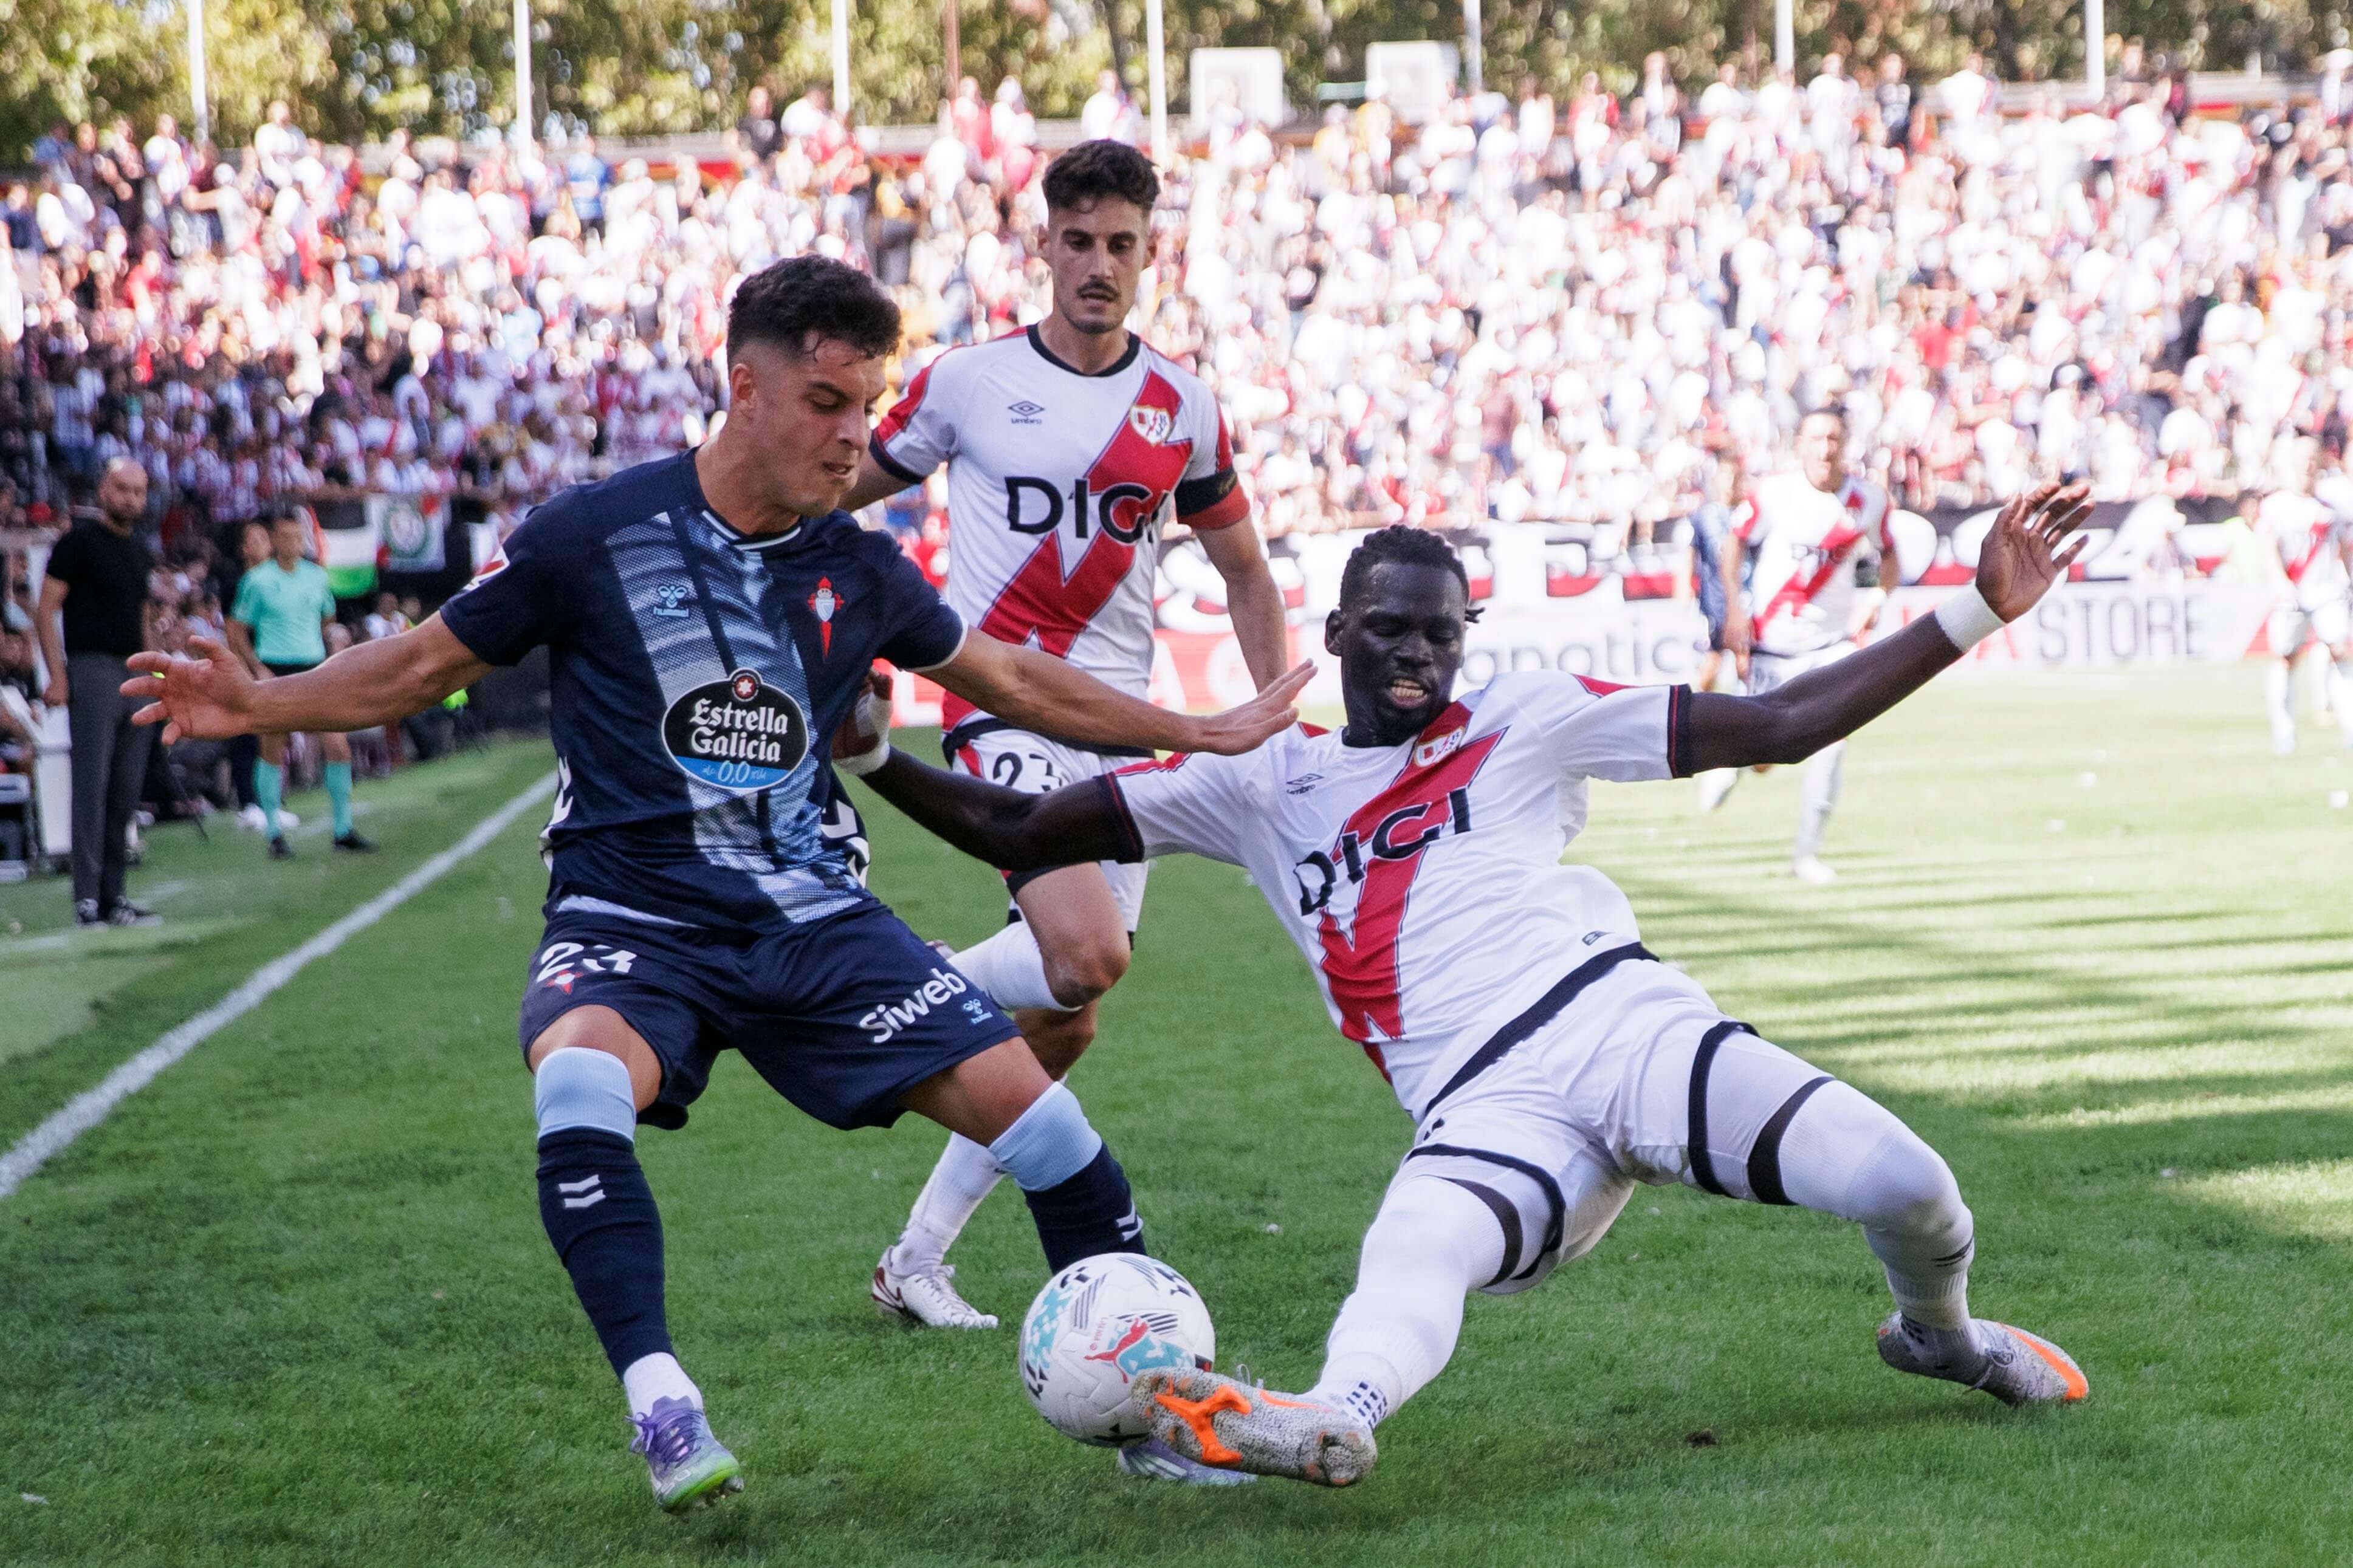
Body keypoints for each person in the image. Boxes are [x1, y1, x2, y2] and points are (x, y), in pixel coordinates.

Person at [123, 255, 1312, 1513]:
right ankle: (661, 1400)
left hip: (814, 917)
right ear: (745, 387)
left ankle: (1155, 1418)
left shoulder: (858, 567)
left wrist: (1197, 729)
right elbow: (419, 667)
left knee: (1060, 1141)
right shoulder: (588, 535)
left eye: (868, 407)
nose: (855, 437)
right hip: (632, 916)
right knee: (578, 1085)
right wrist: (258, 706)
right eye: (827, 402)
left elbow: (1012, 681)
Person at [834, 490, 2095, 1488]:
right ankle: (1329, 1416)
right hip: (1482, 1109)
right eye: (1391, 627)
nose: (1418, 653)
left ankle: (1941, 1336)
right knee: (1413, 1246)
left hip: (1622, 1026)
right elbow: (1023, 828)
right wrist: (880, 755)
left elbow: (1778, 724)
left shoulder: (1525, 719)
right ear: (1336, 633)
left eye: (1442, 633)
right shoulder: (1259, 783)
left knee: (1906, 1184)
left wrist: (1973, 609)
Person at [838, 140, 1291, 1332]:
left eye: (1119, 245)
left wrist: (1274, 715)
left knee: (1064, 1017)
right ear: (1041, 244)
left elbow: (1246, 570)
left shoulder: (1183, 408)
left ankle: (914, 1259)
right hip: (1000, 702)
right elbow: (831, 493)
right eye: (1077, 240)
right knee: (1083, 954)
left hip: (1120, 723)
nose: (1098, 264)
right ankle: (899, 981)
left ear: (1149, 254)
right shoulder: (968, 383)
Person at [1706, 408, 1894, 882]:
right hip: (1774, 641)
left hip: (1832, 643)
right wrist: (1735, 608)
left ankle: (1806, 854)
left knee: (1833, 741)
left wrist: (1875, 597)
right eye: (1816, 438)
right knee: (1764, 753)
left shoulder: (1869, 500)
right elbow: (1733, 544)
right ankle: (1730, 764)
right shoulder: (1774, 493)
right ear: (1800, 445)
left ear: (1845, 444)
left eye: (1833, 438)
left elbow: (1888, 555)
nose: (1825, 448)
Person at [33, 459, 160, 927]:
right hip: (91, 669)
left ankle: (115, 895)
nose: (131, 498)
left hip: (133, 672)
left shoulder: (140, 551)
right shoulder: (77, 543)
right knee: (92, 786)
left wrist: (157, 676)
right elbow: (46, 609)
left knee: (125, 791)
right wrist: (58, 674)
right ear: (104, 490)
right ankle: (87, 898)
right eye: (122, 488)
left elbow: (143, 620)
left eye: (138, 491)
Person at [228, 510, 372, 858]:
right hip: (275, 669)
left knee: (338, 746)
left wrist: (324, 648)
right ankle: (274, 833)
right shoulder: (257, 580)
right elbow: (236, 628)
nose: (293, 543)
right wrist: (256, 667)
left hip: (312, 668)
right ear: (275, 540)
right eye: (286, 537)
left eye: (298, 537)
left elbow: (327, 618)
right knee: (272, 749)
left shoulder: (317, 577)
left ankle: (343, 828)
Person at [2250, 439, 2352, 754]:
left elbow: (2345, 547)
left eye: (2311, 458)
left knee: (2340, 652)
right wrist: (2281, 584)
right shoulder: (2275, 506)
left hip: (2327, 592)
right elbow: (2269, 551)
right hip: (2292, 595)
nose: (2307, 465)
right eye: (2301, 459)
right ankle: (2285, 734)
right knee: (2287, 659)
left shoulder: (2333, 505)